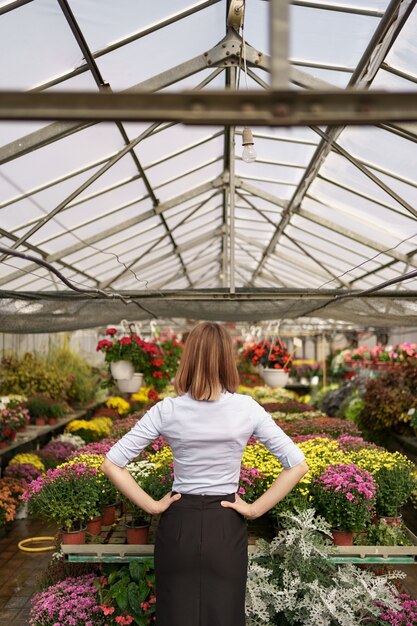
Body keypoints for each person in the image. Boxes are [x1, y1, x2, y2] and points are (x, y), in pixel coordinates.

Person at [101, 322, 308, 626]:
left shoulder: (167, 410)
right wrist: (253, 509)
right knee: (224, 616)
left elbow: (111, 463)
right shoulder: (247, 409)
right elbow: (297, 464)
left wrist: (152, 506)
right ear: (227, 359)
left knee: (176, 616)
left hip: (179, 523)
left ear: (188, 359)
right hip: (225, 524)